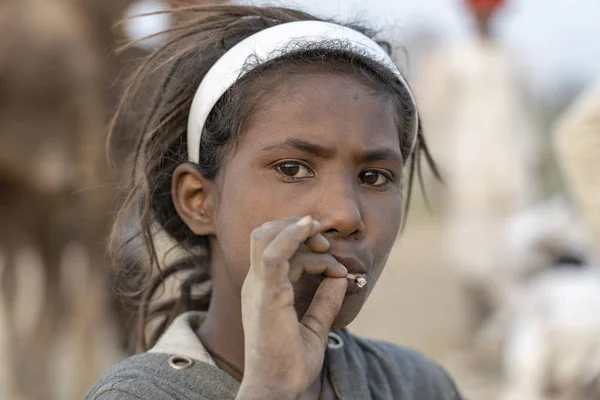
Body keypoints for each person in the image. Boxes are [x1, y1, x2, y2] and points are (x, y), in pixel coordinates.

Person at [85, 3, 462, 399]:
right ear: (199, 200)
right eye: (293, 169)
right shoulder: (135, 395)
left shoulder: (416, 385)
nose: (346, 215)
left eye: (374, 177)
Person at [416, 0, 542, 334]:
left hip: (513, 168)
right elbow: (430, 111)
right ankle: (479, 328)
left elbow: (527, 112)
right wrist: (440, 163)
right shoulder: (451, 59)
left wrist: (534, 154)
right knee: (471, 248)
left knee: (517, 248)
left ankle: (515, 330)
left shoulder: (515, 58)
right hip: (468, 167)